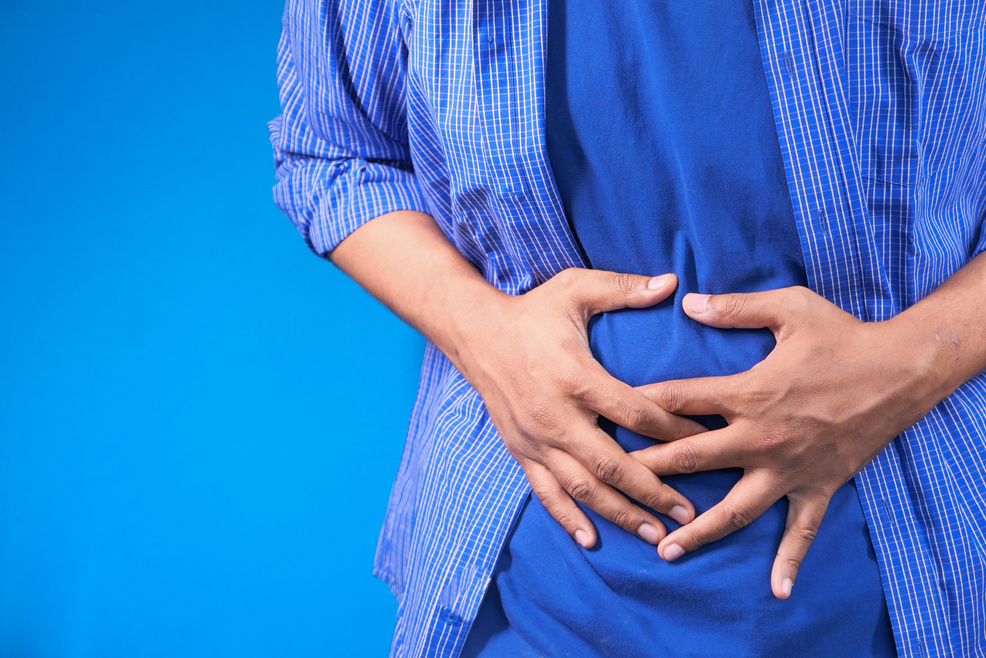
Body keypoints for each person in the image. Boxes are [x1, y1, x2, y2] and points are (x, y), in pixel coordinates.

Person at [268, 0, 986, 656]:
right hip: (531, 597)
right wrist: (485, 334)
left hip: (906, 586)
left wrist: (907, 365)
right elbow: (335, 152)